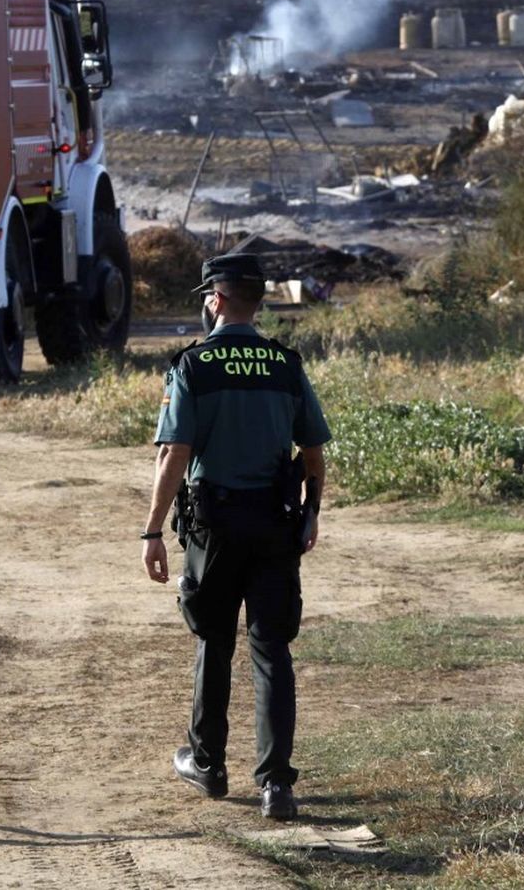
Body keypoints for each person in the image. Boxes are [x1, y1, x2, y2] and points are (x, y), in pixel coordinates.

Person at [140, 253, 330, 820]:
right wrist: (312, 512)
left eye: (206, 296)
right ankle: (276, 785)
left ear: (217, 300)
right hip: (275, 524)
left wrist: (153, 529)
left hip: (216, 528)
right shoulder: (284, 364)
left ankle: (209, 763)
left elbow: (175, 453)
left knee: (214, 640)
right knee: (271, 649)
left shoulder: (194, 364)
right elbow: (313, 452)